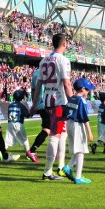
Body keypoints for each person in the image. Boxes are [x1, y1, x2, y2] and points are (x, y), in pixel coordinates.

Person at [30, 33, 73, 181]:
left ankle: (59, 166)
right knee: (55, 135)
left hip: (48, 100)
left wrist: (34, 105)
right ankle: (48, 171)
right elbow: (67, 83)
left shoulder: (44, 61)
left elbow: (38, 85)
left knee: (60, 133)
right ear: (64, 44)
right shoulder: (63, 60)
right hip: (59, 101)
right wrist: (73, 102)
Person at [61, 78, 95, 184]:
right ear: (82, 89)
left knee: (79, 149)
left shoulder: (71, 98)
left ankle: (68, 167)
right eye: (87, 89)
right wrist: (89, 132)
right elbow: (84, 117)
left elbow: (65, 112)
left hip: (69, 124)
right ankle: (78, 176)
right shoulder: (81, 100)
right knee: (81, 151)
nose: (88, 92)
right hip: (77, 124)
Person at [5, 90, 39, 162]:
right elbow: (27, 115)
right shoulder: (21, 105)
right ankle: (30, 155)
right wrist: (34, 112)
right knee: (25, 140)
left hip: (10, 123)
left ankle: (1, 152)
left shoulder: (10, 105)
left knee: (8, 140)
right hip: (18, 123)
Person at [28, 64, 50, 155]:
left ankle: (53, 151)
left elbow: (33, 90)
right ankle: (32, 150)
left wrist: (34, 104)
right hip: (47, 104)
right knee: (48, 129)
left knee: (48, 128)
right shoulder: (48, 73)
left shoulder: (35, 73)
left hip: (39, 104)